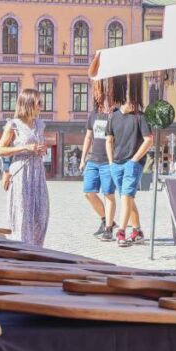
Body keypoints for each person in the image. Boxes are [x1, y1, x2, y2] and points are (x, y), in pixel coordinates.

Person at [0, 88, 49, 246]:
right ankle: (21, 249)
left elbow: (36, 145)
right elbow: (0, 150)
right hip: (21, 173)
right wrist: (25, 148)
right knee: (22, 214)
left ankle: (36, 248)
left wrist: (41, 149)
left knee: (42, 213)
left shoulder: (40, 124)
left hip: (38, 173)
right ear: (29, 103)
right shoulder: (14, 125)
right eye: (39, 103)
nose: (42, 106)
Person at [106, 85, 154, 248]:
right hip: (116, 164)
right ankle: (137, 231)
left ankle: (121, 232)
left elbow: (149, 140)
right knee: (127, 199)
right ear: (122, 100)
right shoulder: (113, 117)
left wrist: (134, 160)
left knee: (126, 197)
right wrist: (111, 162)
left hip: (133, 164)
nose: (134, 103)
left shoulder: (140, 117)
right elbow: (109, 140)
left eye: (135, 100)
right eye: (130, 100)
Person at [79, 85, 117, 241]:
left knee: (108, 194)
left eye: (105, 95)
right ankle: (105, 219)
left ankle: (108, 228)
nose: (101, 98)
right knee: (88, 192)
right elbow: (88, 138)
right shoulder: (93, 114)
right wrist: (83, 159)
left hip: (108, 161)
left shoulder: (115, 115)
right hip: (93, 160)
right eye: (99, 95)